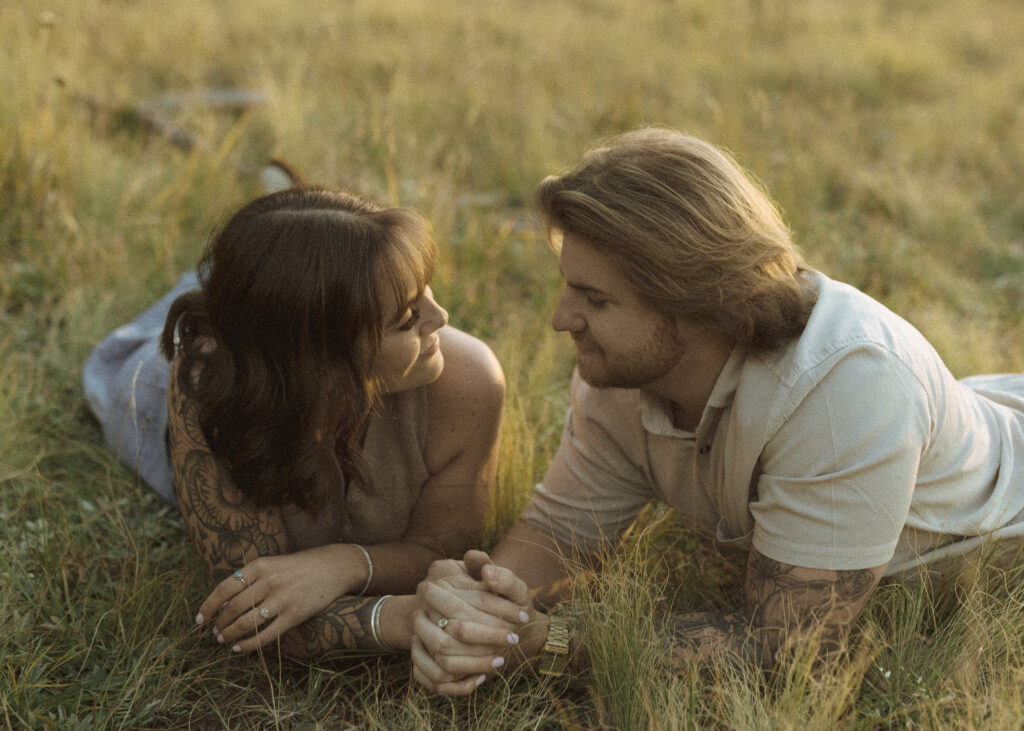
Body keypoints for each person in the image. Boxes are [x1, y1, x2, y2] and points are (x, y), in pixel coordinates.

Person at [408, 127, 1024, 694]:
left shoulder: (849, 389)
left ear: (697, 303)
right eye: (569, 287)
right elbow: (561, 535)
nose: (561, 320)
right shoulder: (623, 370)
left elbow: (788, 653)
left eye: (594, 299)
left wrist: (547, 643)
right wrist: (481, 608)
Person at [83, 186, 505, 658]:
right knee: (117, 358)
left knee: (273, 276)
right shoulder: (208, 384)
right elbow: (247, 612)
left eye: (424, 291)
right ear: (322, 357)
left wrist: (344, 565)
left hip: (281, 333)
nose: (441, 318)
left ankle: (279, 239)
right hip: (153, 388)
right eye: (408, 317)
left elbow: (437, 548)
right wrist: (404, 620)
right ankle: (239, 272)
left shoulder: (470, 380)